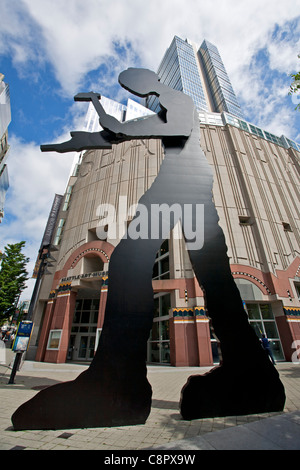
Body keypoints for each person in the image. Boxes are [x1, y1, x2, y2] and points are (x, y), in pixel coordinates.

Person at [12, 68, 285, 430]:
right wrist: (77, 139)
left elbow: (160, 129)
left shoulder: (178, 100)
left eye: (133, 83)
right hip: (184, 180)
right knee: (209, 273)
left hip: (182, 181)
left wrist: (119, 130)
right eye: (127, 86)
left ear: (147, 81)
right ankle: (248, 369)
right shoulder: (165, 107)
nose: (134, 89)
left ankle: (120, 380)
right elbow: (117, 132)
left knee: (131, 260)